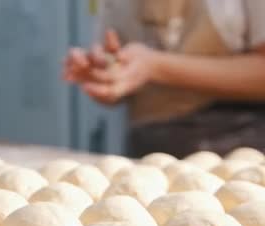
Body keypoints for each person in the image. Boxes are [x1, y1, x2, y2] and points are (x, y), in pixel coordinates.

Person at [63, 0, 265, 157]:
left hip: (238, 145)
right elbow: (116, 75)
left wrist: (155, 66)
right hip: (149, 151)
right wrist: (103, 73)